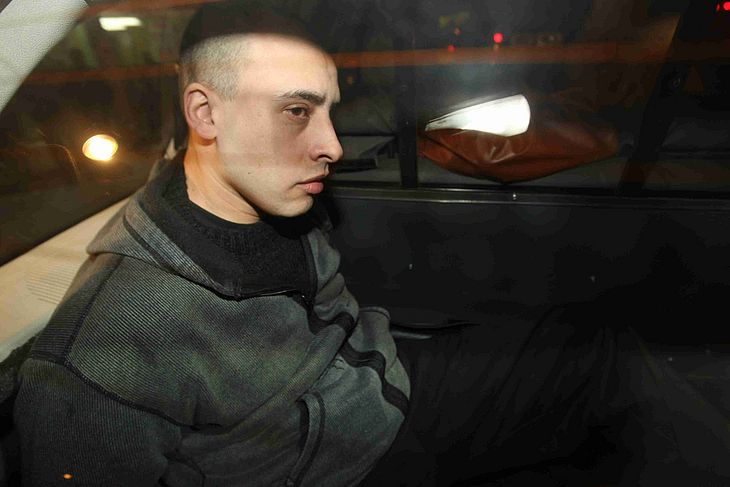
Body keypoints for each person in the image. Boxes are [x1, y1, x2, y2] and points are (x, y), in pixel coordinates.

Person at [13, 2, 730, 486]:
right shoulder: (106, 345)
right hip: (354, 456)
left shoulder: (273, 203)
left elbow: (332, 319)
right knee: (609, 370)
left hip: (376, 383)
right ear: (205, 113)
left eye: (330, 109)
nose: (331, 145)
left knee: (594, 340)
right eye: (297, 112)